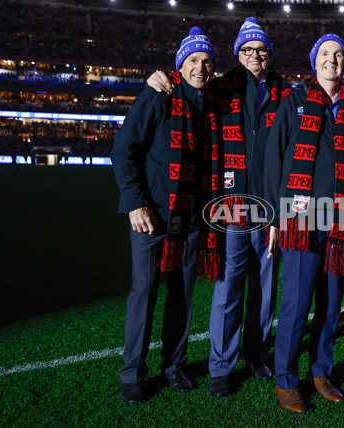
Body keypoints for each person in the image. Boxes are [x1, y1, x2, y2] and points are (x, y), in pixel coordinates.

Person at [147, 17, 292, 397]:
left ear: (270, 54)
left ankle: (256, 356)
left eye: (261, 50)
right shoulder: (219, 87)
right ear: (237, 54)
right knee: (229, 287)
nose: (255, 56)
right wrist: (155, 81)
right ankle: (221, 366)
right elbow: (183, 92)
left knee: (264, 286)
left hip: (268, 207)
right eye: (247, 50)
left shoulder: (285, 93)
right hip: (228, 204)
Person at [265, 34, 344, 413]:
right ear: (315, 62)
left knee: (330, 305)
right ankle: (285, 380)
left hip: (342, 219)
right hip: (300, 218)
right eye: (326, 54)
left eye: (339, 55)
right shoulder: (293, 102)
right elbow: (274, 159)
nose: (332, 60)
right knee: (296, 303)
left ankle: (321, 373)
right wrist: (277, 217)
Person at [110, 27, 219, 405]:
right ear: (180, 65)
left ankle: (174, 366)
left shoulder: (212, 106)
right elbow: (124, 151)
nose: (200, 67)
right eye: (193, 60)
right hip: (151, 218)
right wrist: (135, 203)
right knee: (144, 293)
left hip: (188, 221)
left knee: (182, 297)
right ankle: (132, 374)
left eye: (206, 61)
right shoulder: (157, 95)